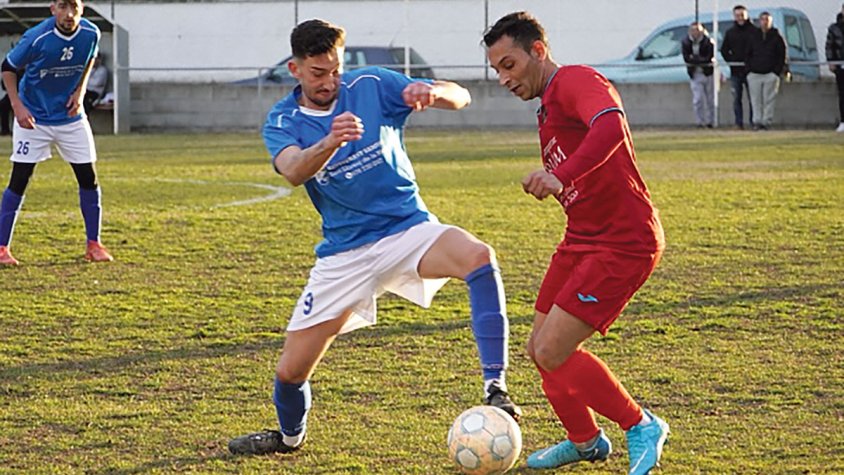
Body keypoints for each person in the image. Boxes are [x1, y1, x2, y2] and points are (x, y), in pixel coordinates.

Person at [227, 18, 521, 456]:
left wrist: (433, 93)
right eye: (317, 73)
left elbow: (462, 95)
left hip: (407, 229)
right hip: (344, 254)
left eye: (334, 70)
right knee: (290, 372)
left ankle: (495, 385)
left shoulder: (370, 83)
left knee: (479, 256)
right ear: (295, 69)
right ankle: (289, 438)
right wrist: (330, 141)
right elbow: (291, 170)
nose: (330, 82)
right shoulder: (282, 120)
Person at [483, 11, 668, 475]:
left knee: (551, 351)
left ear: (538, 52)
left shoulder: (576, 81)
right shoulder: (548, 105)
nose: (504, 78)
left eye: (508, 64)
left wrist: (558, 175)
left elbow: (611, 125)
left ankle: (641, 424)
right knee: (539, 349)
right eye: (496, 70)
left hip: (623, 243)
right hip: (582, 239)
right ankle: (585, 441)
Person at [0, 0, 112, 266]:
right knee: (20, 179)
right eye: (63, 7)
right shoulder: (37, 37)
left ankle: (93, 245)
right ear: (53, 9)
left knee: (88, 178)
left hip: (70, 118)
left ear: (82, 9)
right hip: (34, 118)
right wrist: (18, 107)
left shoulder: (90, 33)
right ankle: (2, 248)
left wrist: (80, 91)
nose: (69, 14)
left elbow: (90, 57)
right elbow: (8, 67)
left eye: (74, 7)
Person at [745, 11, 788, 131]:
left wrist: (776, 72)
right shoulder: (753, 36)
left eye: (767, 19)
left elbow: (782, 55)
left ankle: (766, 122)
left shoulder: (777, 37)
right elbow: (747, 54)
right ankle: (757, 122)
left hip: (770, 74)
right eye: (763, 19)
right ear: (759, 21)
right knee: (755, 100)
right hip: (754, 73)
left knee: (769, 100)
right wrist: (749, 70)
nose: (765, 22)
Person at [720, 5, 757, 130]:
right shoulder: (730, 32)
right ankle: (738, 123)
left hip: (751, 71)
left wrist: (752, 62)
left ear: (746, 15)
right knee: (736, 99)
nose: (740, 18)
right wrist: (732, 61)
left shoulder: (754, 31)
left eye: (742, 15)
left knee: (753, 99)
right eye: (737, 15)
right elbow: (724, 50)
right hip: (735, 71)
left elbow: (758, 50)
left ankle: (754, 122)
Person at [682, 22, 715, 128]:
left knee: (710, 99)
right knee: (698, 99)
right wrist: (697, 60)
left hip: (707, 73)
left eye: (698, 30)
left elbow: (708, 58)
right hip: (695, 74)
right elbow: (687, 58)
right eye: (693, 30)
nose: (695, 33)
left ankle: (710, 121)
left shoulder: (708, 42)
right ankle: (699, 122)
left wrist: (695, 59)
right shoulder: (686, 42)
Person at [827, 4, 844, 132]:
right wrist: (831, 61)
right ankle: (843, 121)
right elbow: (829, 46)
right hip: (841, 65)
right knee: (842, 94)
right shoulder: (834, 28)